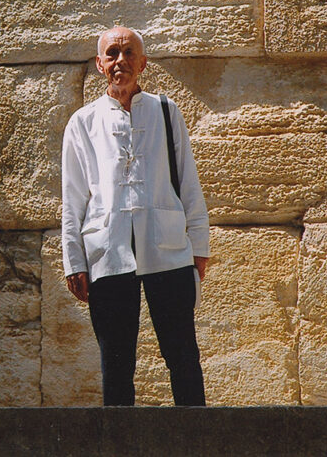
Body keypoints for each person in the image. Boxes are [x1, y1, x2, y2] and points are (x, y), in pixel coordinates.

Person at [61, 25, 210, 406]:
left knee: (183, 356)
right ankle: (118, 438)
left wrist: (199, 247)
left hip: (168, 248)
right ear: (99, 64)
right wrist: (74, 261)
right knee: (116, 363)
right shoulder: (83, 122)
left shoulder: (166, 111)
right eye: (112, 54)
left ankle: (196, 436)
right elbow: (73, 198)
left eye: (129, 53)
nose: (120, 61)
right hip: (107, 251)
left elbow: (188, 183)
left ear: (142, 63)